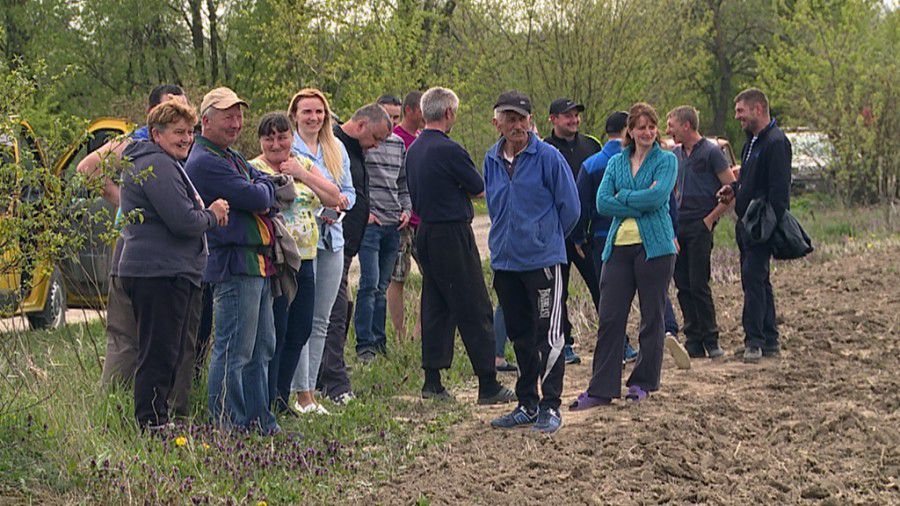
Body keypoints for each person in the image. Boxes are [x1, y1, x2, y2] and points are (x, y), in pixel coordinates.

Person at [81, 85, 203, 417]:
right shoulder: (136, 142)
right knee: (126, 339)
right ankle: (113, 412)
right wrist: (127, 203)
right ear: (152, 116)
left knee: (174, 340)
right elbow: (87, 168)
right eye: (171, 107)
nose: (180, 114)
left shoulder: (186, 140)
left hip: (177, 253)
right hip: (139, 247)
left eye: (184, 107)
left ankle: (172, 411)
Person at [116, 100, 229, 428]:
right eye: (178, 132)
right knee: (159, 354)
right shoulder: (156, 164)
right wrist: (212, 214)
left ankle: (160, 421)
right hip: (159, 273)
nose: (187, 138)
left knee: (167, 352)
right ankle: (151, 425)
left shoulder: (164, 163)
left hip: (168, 271)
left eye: (190, 132)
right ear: (156, 134)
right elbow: (182, 220)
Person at [405, 86, 515, 405]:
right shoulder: (449, 149)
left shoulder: (414, 149)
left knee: (436, 305)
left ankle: (433, 380)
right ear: (449, 113)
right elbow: (479, 188)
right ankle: (488, 382)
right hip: (451, 233)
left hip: (425, 231)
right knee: (474, 305)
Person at [570, 102, 677, 410]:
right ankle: (601, 388)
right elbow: (602, 203)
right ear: (630, 130)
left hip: (655, 248)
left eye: (652, 127)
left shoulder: (666, 161)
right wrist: (640, 201)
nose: (647, 132)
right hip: (617, 247)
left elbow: (660, 197)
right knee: (611, 317)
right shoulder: (617, 162)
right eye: (641, 127)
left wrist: (625, 197)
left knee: (651, 317)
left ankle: (643, 382)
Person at [185, 87, 280, 434]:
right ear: (205, 120)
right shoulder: (205, 161)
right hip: (234, 265)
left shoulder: (231, 156)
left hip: (256, 264)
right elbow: (256, 194)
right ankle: (228, 425)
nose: (236, 122)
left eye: (239, 115)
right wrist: (264, 192)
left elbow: (265, 183)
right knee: (234, 349)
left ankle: (260, 420)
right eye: (228, 116)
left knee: (261, 347)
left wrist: (264, 190)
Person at [484, 91, 579, 434]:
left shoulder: (549, 157)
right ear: (496, 123)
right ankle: (527, 402)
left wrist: (545, 237)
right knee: (520, 334)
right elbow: (495, 207)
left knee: (548, 335)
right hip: (507, 264)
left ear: (531, 120)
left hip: (542, 262)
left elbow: (570, 208)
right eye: (509, 118)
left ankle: (550, 406)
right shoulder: (490, 159)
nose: (517, 125)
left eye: (522, 118)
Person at [248, 112, 344, 415]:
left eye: (282, 136)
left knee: (301, 329)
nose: (276, 144)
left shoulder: (302, 163)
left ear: (291, 137)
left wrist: (302, 175)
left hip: (307, 258)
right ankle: (269, 398)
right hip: (276, 262)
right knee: (277, 329)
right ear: (261, 141)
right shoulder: (254, 168)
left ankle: (282, 396)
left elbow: (334, 197)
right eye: (269, 138)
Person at [279, 89, 356, 413]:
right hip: (300, 243)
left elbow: (348, 192)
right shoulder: (287, 149)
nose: (313, 118)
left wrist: (340, 205)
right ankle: (297, 392)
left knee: (322, 319)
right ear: (295, 115)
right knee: (299, 318)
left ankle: (311, 391)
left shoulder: (336, 147)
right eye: (307, 112)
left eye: (319, 112)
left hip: (332, 238)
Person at [316, 102, 393, 404]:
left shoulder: (356, 149)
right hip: (332, 243)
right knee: (333, 314)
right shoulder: (334, 145)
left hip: (347, 246)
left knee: (341, 309)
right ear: (361, 125)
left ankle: (326, 373)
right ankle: (334, 384)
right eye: (375, 138)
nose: (376, 146)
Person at [716, 88, 791, 363]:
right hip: (746, 224)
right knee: (759, 281)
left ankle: (754, 342)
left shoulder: (776, 142)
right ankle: (769, 338)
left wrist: (765, 228)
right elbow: (750, 181)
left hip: (761, 227)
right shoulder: (752, 143)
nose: (738, 117)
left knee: (753, 280)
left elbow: (779, 194)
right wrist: (734, 190)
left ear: (758, 109)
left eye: (741, 111)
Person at [666, 105, 736, 359]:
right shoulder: (675, 155)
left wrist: (710, 220)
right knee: (682, 283)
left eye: (671, 125)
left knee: (699, 284)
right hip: (678, 225)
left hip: (699, 225)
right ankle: (693, 339)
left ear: (686, 125)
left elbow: (731, 189)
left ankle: (711, 338)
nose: (668, 131)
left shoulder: (712, 152)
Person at [542, 98, 602, 365]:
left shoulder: (592, 145)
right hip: (557, 234)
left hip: (588, 233)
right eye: (568, 116)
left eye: (576, 115)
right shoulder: (543, 149)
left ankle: (617, 340)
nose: (574, 120)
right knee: (558, 292)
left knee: (602, 287)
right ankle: (563, 344)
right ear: (553, 119)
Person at [354, 95, 411, 361]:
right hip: (371, 224)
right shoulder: (364, 144)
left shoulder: (399, 145)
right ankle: (364, 344)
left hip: (394, 224)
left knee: (383, 285)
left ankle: (379, 342)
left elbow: (403, 183)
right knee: (369, 283)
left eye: (396, 118)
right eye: (387, 117)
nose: (391, 123)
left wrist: (406, 210)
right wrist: (364, 213)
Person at [387, 90, 425, 341]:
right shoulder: (395, 139)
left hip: (425, 219)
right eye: (422, 110)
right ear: (410, 110)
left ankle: (420, 333)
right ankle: (399, 334)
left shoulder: (424, 139)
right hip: (401, 221)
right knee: (397, 277)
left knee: (432, 277)